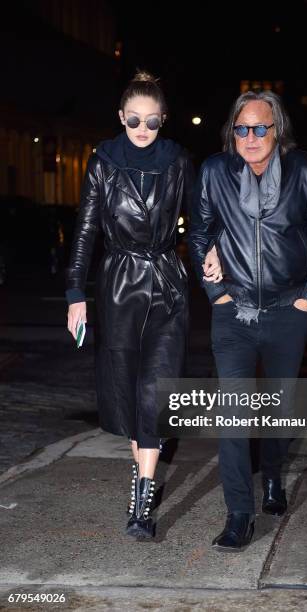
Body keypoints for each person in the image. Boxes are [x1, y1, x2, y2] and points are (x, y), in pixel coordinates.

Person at [189, 90, 307, 551]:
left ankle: (272, 473)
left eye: (259, 128)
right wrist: (215, 292)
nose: (250, 138)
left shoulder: (304, 170)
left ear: (277, 131)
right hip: (233, 314)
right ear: (232, 132)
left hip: (286, 312)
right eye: (241, 128)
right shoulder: (215, 171)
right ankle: (239, 515)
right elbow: (199, 233)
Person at [66, 71, 193, 539]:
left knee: (154, 391)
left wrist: (215, 263)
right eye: (134, 120)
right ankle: (140, 469)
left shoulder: (178, 161)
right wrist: (75, 294)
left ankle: (143, 495)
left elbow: (199, 221)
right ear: (121, 117)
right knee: (126, 389)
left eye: (153, 122)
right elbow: (86, 230)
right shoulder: (102, 161)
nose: (142, 129)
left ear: (164, 121)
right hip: (119, 285)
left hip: (167, 285)